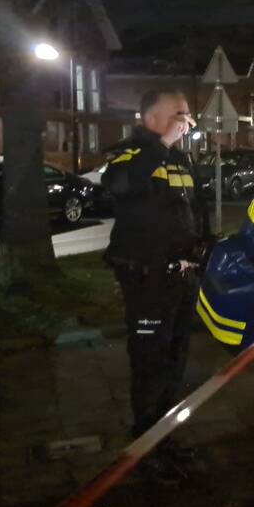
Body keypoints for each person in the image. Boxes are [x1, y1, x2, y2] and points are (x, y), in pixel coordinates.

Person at [101, 89, 207, 485]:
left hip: (181, 277)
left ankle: (165, 437)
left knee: (175, 361)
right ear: (151, 118)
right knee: (150, 364)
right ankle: (144, 448)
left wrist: (202, 250)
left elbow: (192, 212)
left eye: (188, 113)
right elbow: (120, 185)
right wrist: (161, 144)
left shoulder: (179, 158)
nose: (187, 121)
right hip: (147, 279)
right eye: (179, 114)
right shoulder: (131, 154)